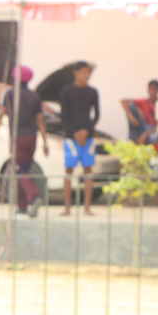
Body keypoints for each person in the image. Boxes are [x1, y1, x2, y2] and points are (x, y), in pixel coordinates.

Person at [0, 65, 49, 216]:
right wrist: (45, 142)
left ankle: (34, 197)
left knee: (18, 169)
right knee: (23, 168)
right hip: (32, 138)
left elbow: (1, 114)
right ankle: (22, 206)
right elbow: (41, 120)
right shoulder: (35, 96)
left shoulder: (10, 94)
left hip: (18, 138)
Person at [58, 61, 99, 216]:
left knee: (88, 171)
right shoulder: (66, 91)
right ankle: (67, 207)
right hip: (71, 138)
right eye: (83, 72)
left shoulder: (92, 92)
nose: (86, 75)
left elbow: (97, 115)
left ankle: (87, 207)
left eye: (88, 72)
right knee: (69, 171)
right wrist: (75, 133)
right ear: (76, 72)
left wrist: (86, 131)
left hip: (87, 138)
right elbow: (64, 115)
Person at [122, 79, 158, 143]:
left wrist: (146, 134)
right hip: (145, 127)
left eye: (154, 89)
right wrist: (131, 117)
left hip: (155, 130)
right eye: (150, 89)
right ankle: (134, 139)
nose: (152, 92)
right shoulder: (145, 102)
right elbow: (123, 101)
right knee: (131, 106)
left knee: (153, 138)